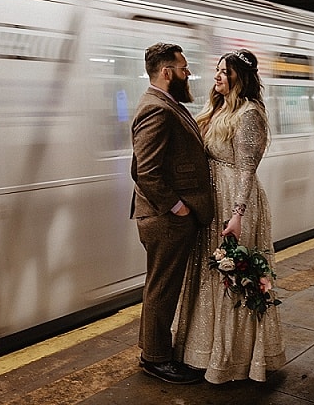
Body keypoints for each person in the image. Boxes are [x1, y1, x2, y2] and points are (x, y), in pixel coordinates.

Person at [173, 49, 286, 384]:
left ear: (241, 78)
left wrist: (237, 215)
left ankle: (233, 359)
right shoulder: (219, 107)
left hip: (235, 204)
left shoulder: (249, 113)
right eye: (217, 69)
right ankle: (201, 351)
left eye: (225, 72)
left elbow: (246, 171)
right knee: (209, 276)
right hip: (214, 203)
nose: (217, 76)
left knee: (231, 279)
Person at [130, 42, 214, 384]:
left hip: (165, 217)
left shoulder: (165, 103)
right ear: (167, 72)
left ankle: (153, 350)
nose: (188, 73)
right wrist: (177, 207)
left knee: (159, 287)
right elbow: (146, 171)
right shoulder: (157, 109)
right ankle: (156, 359)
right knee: (162, 289)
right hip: (165, 218)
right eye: (183, 68)